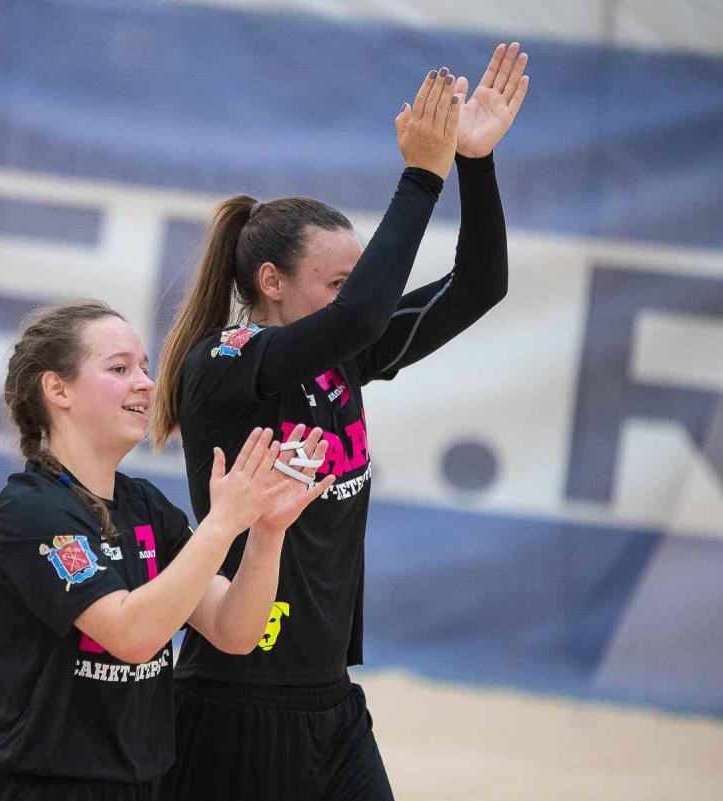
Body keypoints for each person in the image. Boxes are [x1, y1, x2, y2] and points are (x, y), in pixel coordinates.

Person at [151, 44, 529, 801]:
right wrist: (421, 177)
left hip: (331, 699)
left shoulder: (344, 358)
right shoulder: (223, 363)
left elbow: (480, 284)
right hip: (236, 698)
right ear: (272, 282)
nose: (360, 297)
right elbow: (360, 314)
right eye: (337, 281)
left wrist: (474, 162)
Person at [0, 299, 335, 801]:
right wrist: (222, 523)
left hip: (141, 788)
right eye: (119, 369)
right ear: (58, 389)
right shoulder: (31, 511)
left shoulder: (145, 506)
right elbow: (132, 634)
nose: (145, 383)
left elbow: (235, 631)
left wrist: (268, 531)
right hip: (43, 787)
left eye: (144, 367)